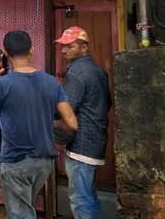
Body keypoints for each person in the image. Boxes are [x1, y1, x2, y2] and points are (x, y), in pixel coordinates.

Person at [0, 30, 78, 219]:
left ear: (6, 54)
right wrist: (51, 124)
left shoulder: (2, 84)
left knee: (20, 214)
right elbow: (72, 123)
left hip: (15, 161)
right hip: (44, 162)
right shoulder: (52, 82)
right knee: (25, 207)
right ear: (31, 50)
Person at [55, 26, 111, 219]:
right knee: (88, 196)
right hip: (96, 140)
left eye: (69, 46)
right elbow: (107, 103)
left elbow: (66, 109)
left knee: (80, 200)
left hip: (82, 146)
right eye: (63, 46)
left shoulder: (77, 72)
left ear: (84, 47)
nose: (64, 50)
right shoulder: (98, 71)